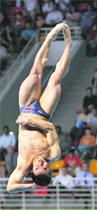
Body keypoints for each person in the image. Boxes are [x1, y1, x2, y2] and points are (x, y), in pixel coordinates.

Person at [7, 23, 72, 193]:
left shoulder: (23, 164)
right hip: (43, 113)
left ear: (32, 172)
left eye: (38, 168)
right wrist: (29, 122)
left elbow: (10, 187)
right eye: (46, 167)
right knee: (56, 78)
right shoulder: (53, 154)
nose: (41, 163)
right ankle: (66, 43)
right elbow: (50, 128)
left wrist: (32, 186)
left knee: (35, 71)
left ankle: (49, 36)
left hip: (27, 107)